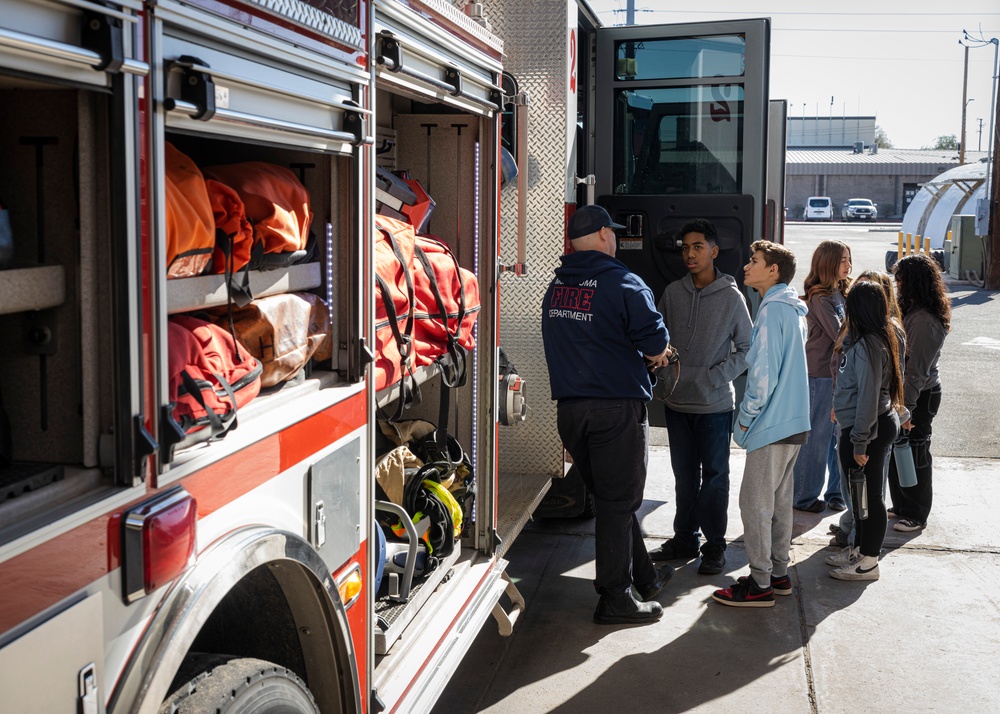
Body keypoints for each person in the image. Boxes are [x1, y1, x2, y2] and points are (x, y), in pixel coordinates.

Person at [541, 204, 674, 625]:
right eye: (612, 231)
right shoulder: (625, 283)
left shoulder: (556, 287)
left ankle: (646, 579)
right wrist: (662, 354)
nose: (615, 238)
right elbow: (655, 346)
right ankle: (615, 598)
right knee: (619, 503)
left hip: (571, 411)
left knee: (611, 500)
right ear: (602, 234)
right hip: (615, 410)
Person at [648, 218, 752, 575]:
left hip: (714, 406)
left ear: (713, 251)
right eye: (685, 247)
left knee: (716, 477)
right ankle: (684, 539)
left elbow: (746, 348)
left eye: (697, 247)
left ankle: (714, 546)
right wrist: (664, 374)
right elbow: (656, 339)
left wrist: (714, 376)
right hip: (678, 404)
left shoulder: (731, 296)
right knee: (684, 476)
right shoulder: (673, 293)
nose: (689, 254)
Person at [713, 240, 810, 608]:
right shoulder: (793, 309)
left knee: (753, 503)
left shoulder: (771, 312)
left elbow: (763, 376)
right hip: (795, 422)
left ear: (773, 270)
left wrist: (744, 421)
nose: (746, 266)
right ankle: (777, 574)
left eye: (754, 261)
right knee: (779, 502)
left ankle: (759, 585)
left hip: (771, 423)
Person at [825, 281, 904, 580]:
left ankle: (868, 561)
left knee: (869, 498)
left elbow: (868, 398)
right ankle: (860, 549)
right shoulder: (867, 339)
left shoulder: (870, 344)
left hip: (868, 431)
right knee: (860, 497)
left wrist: (859, 442)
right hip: (862, 428)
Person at [887, 253, 949, 533]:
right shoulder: (912, 310)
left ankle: (916, 514)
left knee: (916, 450)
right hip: (907, 394)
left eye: (900, 278)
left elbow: (917, 372)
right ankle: (901, 506)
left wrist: (905, 409)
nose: (896, 283)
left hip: (919, 395)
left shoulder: (924, 321)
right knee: (900, 448)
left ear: (914, 281)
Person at [793, 240, 852, 514]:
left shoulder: (840, 292)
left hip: (838, 375)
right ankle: (804, 496)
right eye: (842, 260)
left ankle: (835, 493)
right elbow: (841, 335)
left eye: (849, 258)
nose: (848, 264)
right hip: (818, 374)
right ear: (828, 263)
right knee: (817, 437)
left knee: (836, 437)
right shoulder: (819, 298)